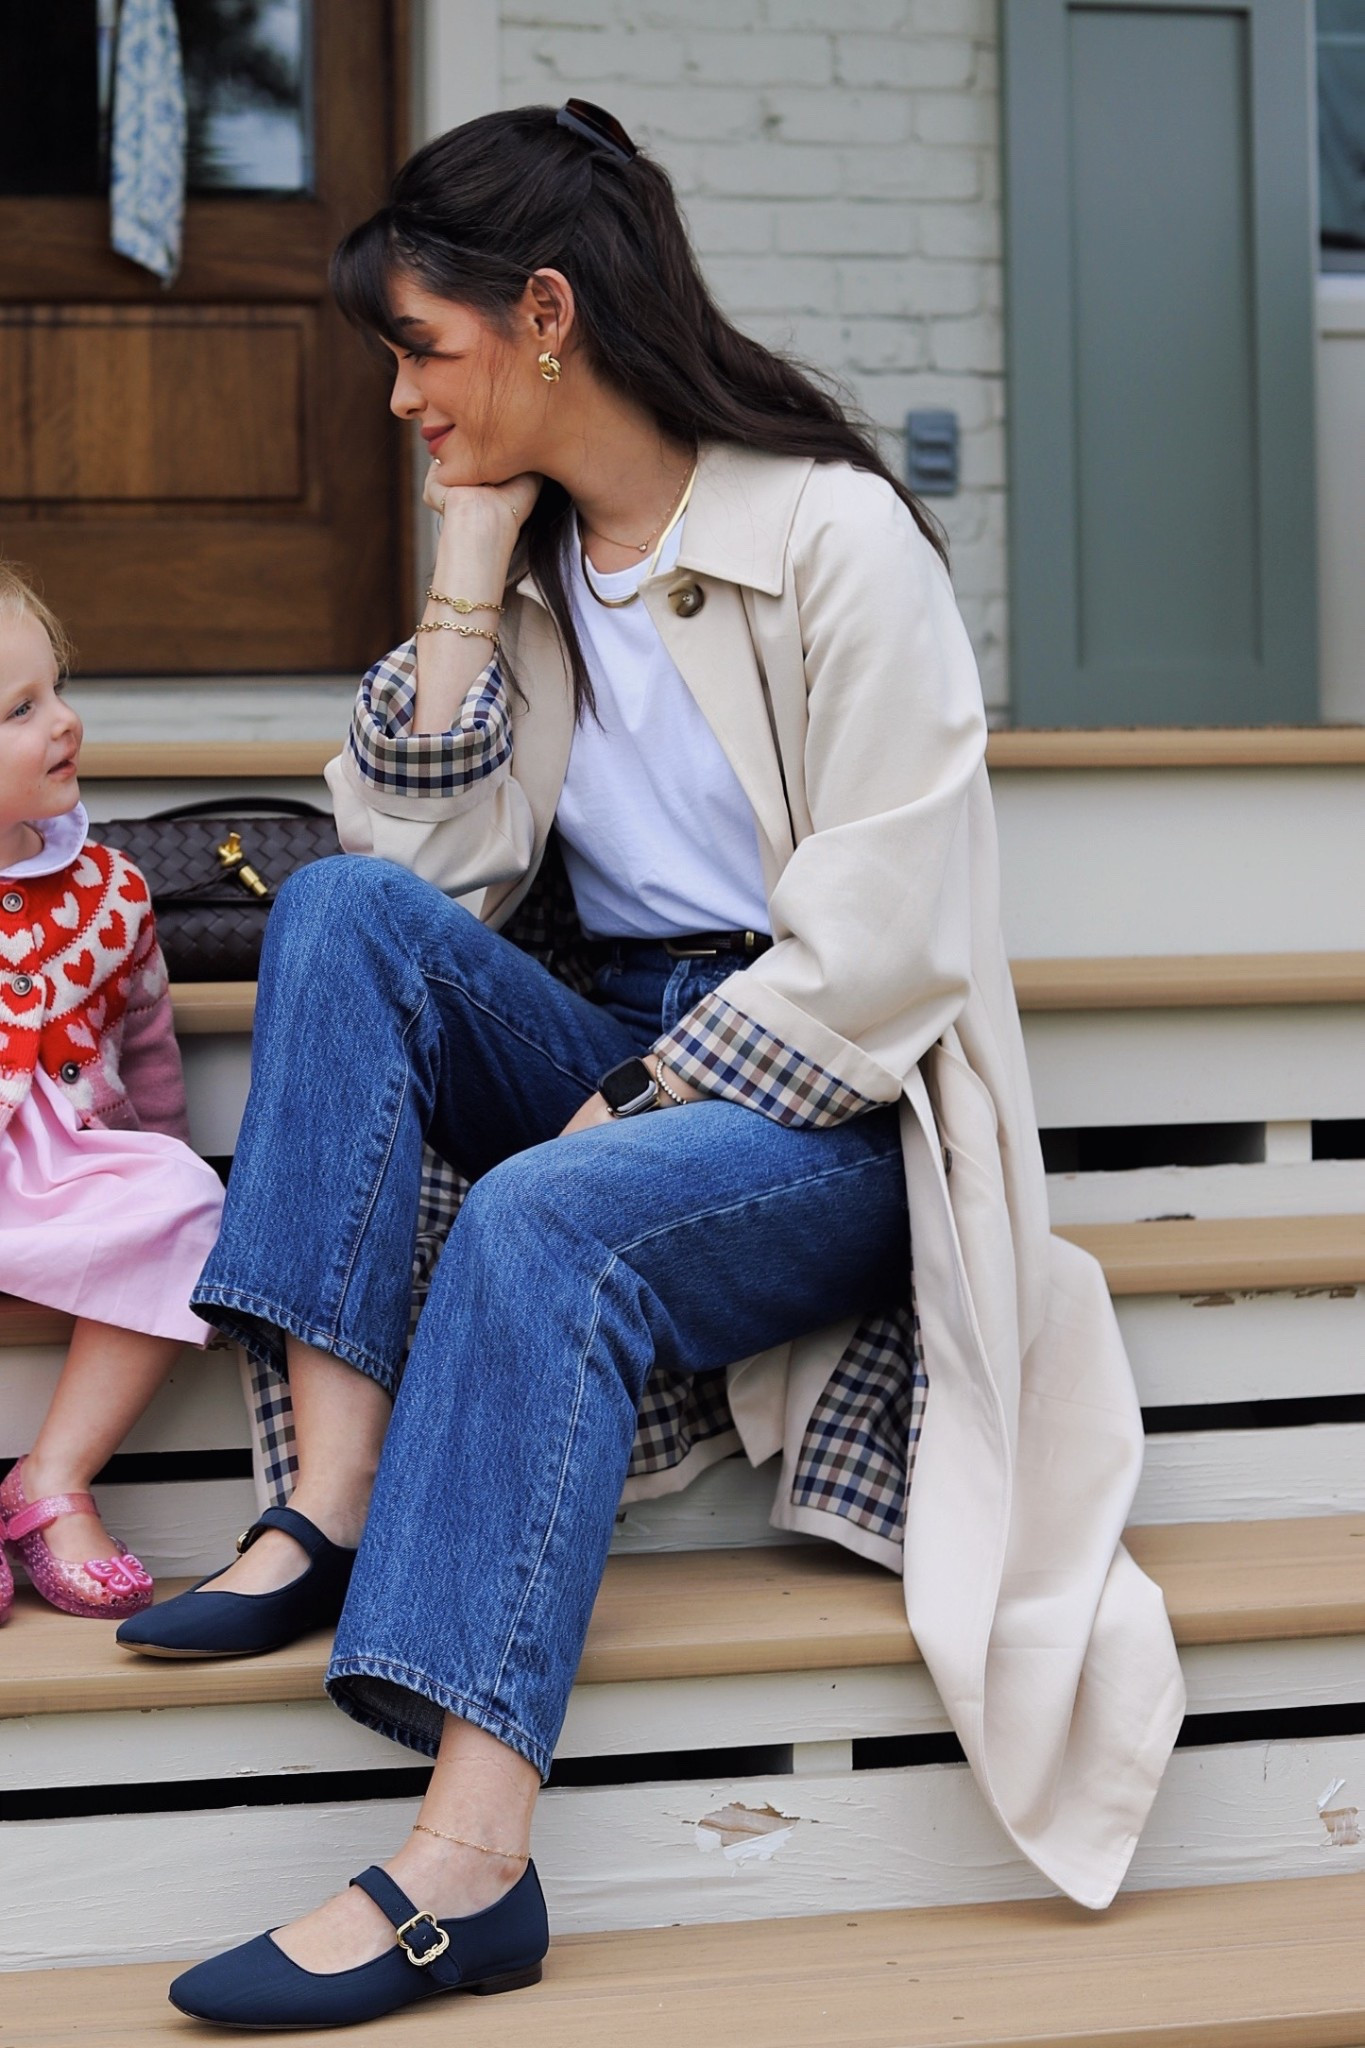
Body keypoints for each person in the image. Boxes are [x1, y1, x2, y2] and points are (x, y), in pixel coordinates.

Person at [145, 102, 1182, 2032]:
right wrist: (467, 574)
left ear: (547, 315)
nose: (397, 399)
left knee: (542, 1220)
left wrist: (646, 1097)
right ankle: (332, 1505)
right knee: (333, 920)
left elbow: (895, 935)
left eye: (421, 351)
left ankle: (470, 1860)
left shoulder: (831, 535)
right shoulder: (536, 565)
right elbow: (425, 873)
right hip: (607, 1017)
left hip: (832, 1095)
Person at [0, 563, 224, 1625]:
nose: (64, 723)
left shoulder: (112, 888)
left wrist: (159, 1156)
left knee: (184, 1200)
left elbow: (148, 1047)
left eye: (57, 690)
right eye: (20, 710)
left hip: (62, 1164)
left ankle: (49, 1478)